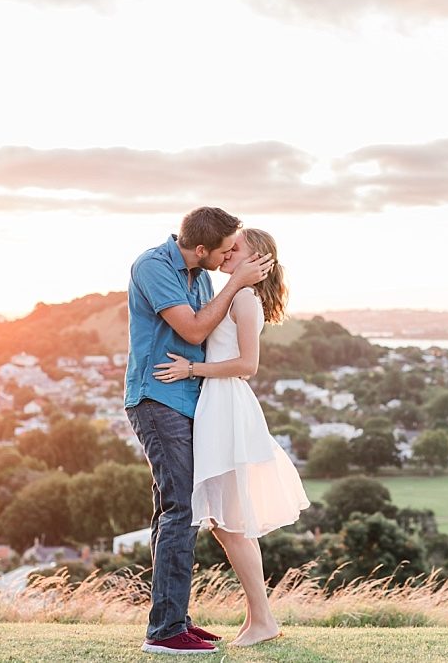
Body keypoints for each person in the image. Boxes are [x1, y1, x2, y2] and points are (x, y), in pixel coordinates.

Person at [125, 207, 274, 655]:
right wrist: (236, 284)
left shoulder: (203, 277)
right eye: (227, 249)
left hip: (191, 402)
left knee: (174, 509)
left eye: (239, 249)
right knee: (180, 510)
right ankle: (166, 631)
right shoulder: (153, 265)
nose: (232, 255)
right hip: (157, 399)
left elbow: (218, 334)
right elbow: (192, 329)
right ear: (204, 249)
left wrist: (232, 288)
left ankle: (174, 620)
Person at [153, 228, 310, 648]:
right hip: (218, 406)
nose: (227, 251)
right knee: (229, 524)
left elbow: (247, 364)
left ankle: (262, 620)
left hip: (227, 405)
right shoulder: (235, 293)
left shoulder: (242, 297)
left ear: (254, 257)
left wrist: (191, 370)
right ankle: (259, 618)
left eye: (235, 247)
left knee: (232, 523)